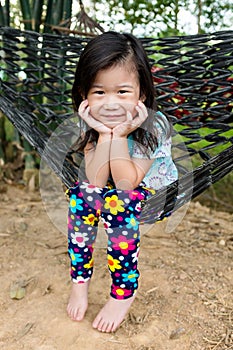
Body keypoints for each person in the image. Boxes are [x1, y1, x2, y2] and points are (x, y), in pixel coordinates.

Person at [66, 31, 178, 333]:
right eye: (99, 92)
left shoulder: (153, 125)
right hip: (115, 189)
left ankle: (123, 292)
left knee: (118, 202)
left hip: (155, 192)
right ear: (84, 95)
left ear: (141, 94)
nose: (111, 103)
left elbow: (127, 183)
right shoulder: (92, 122)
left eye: (123, 92)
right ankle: (80, 280)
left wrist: (123, 134)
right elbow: (96, 178)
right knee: (82, 195)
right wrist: (103, 133)